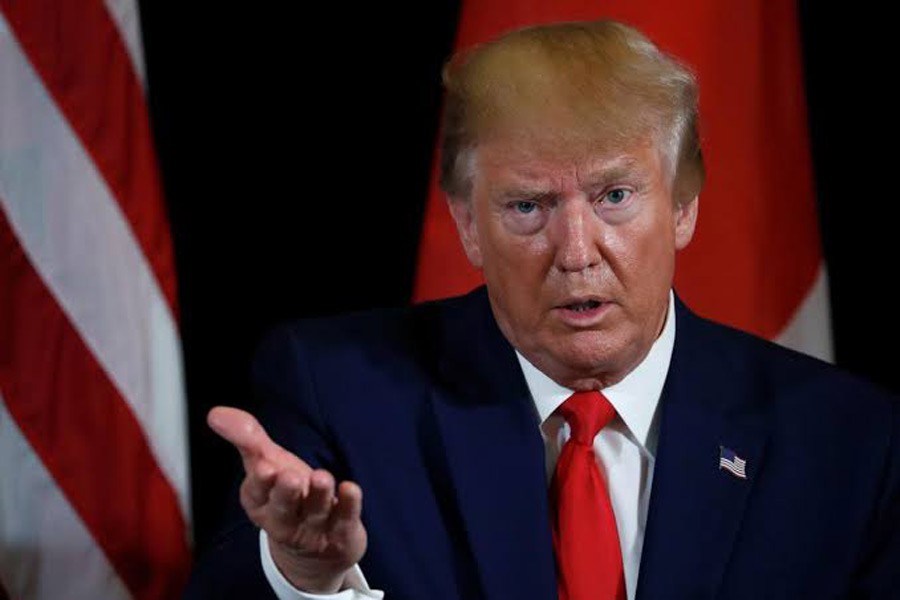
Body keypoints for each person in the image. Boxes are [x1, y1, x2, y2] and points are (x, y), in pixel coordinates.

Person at [185, 20, 900, 600]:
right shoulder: (339, 397)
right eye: (528, 206)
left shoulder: (844, 438)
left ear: (683, 207)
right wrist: (304, 580)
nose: (576, 251)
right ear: (467, 223)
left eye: (615, 196)